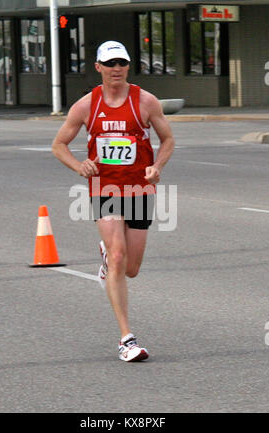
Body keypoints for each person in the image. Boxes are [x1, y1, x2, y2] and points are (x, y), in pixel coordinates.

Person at [52, 41, 175, 362]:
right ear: (99, 67)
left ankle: (109, 256)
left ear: (128, 66)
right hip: (103, 189)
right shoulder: (86, 106)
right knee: (120, 257)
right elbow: (59, 145)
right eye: (110, 63)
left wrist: (156, 167)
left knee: (131, 268)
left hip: (138, 191)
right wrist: (80, 166)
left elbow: (168, 139)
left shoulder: (145, 102)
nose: (116, 68)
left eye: (122, 62)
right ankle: (126, 339)